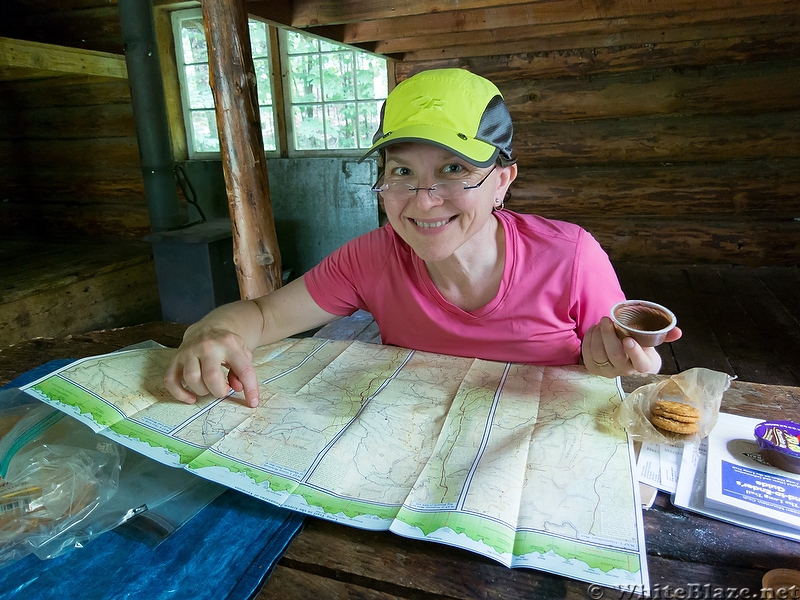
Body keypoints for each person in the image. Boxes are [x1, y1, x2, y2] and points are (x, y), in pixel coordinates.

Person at [164, 68, 681, 407]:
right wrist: (209, 334)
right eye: (402, 172)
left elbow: (621, 366)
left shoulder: (569, 257)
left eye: (454, 168)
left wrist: (620, 365)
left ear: (502, 180)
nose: (424, 199)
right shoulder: (371, 257)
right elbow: (262, 315)